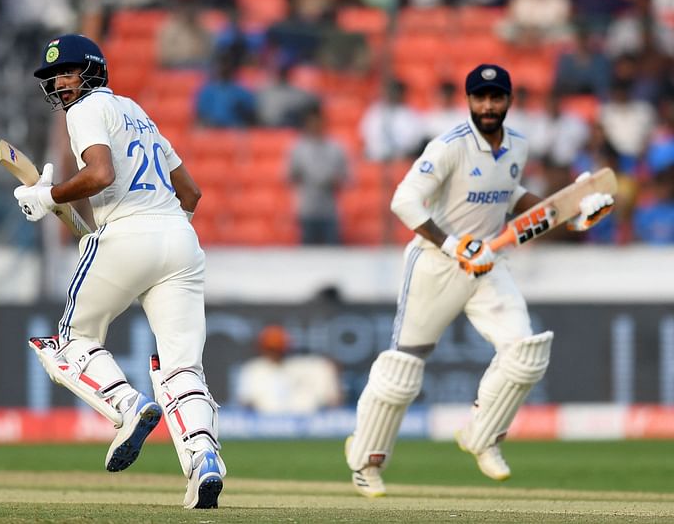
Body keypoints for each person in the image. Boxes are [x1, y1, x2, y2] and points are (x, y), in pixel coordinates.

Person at [344, 63, 615, 498]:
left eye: (496, 97)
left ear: (508, 100)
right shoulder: (449, 146)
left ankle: (482, 435)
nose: (488, 106)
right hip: (437, 262)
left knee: (526, 354)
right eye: (480, 98)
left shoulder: (518, 146)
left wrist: (572, 215)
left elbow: (510, 197)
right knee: (404, 369)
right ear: (469, 100)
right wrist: (453, 246)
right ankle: (366, 460)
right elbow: (404, 201)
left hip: (490, 262)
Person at [12, 34, 225, 509]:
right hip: (180, 239)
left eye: (68, 73)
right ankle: (204, 458)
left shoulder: (85, 111)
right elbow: (190, 194)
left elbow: (102, 175)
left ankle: (129, 407)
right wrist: (162, 234)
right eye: (54, 77)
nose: (60, 84)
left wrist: (48, 197)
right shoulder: (140, 114)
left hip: (128, 233)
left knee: (70, 343)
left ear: (92, 71)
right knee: (183, 367)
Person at [235, 324, 343, 415]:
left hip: (305, 421)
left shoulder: (304, 366)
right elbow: (245, 404)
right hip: (265, 424)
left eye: (279, 348)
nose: (275, 353)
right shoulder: (253, 370)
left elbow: (332, 396)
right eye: (272, 349)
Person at [287, 102, 348, 245]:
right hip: (306, 209)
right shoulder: (298, 149)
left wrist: (334, 180)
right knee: (307, 258)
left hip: (329, 210)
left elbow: (347, 177)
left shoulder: (336, 148)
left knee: (332, 255)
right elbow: (290, 176)